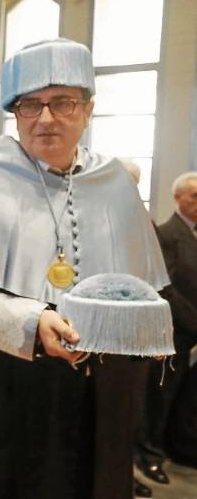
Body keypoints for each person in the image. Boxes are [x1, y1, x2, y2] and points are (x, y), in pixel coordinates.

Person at [0, 38, 169, 499]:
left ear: (88, 109)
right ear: (14, 112)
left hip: (100, 391)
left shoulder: (115, 182)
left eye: (62, 102)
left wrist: (147, 329)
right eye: (29, 104)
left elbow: (141, 285)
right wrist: (29, 321)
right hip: (3, 385)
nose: (45, 117)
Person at [137, 172, 197, 480]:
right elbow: (168, 288)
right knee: (160, 395)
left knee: (181, 396)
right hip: (173, 329)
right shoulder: (168, 233)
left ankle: (175, 446)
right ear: (178, 198)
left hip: (189, 332)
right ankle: (150, 454)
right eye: (194, 197)